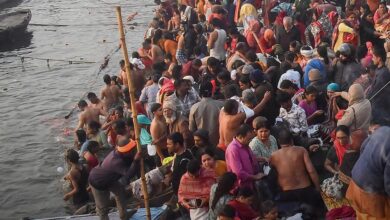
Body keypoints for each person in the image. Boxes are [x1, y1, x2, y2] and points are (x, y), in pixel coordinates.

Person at [270, 129, 323, 210]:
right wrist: (317, 188)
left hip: (288, 193)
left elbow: (273, 172)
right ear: (292, 140)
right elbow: (311, 171)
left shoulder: (274, 156)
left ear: (278, 141)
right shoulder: (301, 150)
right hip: (305, 190)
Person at [88, 139, 140, 220]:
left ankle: (124, 215)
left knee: (120, 194)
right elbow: (129, 175)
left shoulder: (121, 153)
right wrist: (136, 160)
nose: (134, 150)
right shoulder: (116, 161)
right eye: (132, 150)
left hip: (110, 179)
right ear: (126, 152)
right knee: (103, 207)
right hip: (97, 181)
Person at [346, 126, 390, 219]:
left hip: (355, 181)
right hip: (369, 193)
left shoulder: (383, 129)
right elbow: (388, 184)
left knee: (361, 214)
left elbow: (362, 148)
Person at [225, 124, 265, 188]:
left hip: (252, 183)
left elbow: (249, 159)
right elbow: (238, 173)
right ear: (240, 137)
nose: (250, 141)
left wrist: (263, 159)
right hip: (242, 187)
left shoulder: (245, 145)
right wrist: (255, 177)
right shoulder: (233, 149)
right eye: (249, 139)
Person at [189, 81, 223, 146]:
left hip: (201, 143)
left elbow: (191, 129)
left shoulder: (194, 107)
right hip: (217, 143)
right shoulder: (220, 105)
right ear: (212, 92)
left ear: (200, 93)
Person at [367, 45, 390, 126]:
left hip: (381, 112)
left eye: (373, 56)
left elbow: (375, 92)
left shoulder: (383, 74)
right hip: (377, 108)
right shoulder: (379, 70)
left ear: (379, 58)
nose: (372, 58)